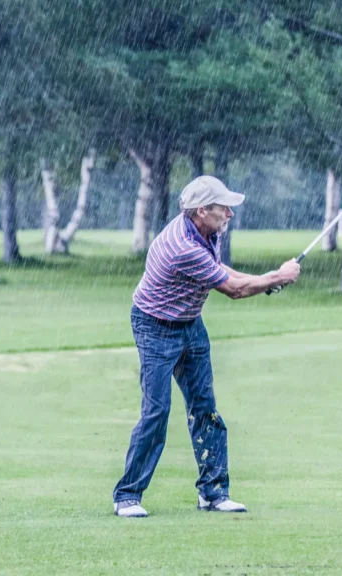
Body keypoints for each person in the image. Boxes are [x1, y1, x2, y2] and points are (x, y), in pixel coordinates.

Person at [112, 175, 301, 518]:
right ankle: (126, 496)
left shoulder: (204, 231)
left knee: (205, 407)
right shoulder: (182, 247)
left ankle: (213, 493)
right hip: (155, 326)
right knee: (156, 412)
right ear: (202, 210)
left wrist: (267, 278)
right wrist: (276, 277)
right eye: (223, 208)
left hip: (189, 324)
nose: (229, 214)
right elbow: (234, 290)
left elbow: (219, 271)